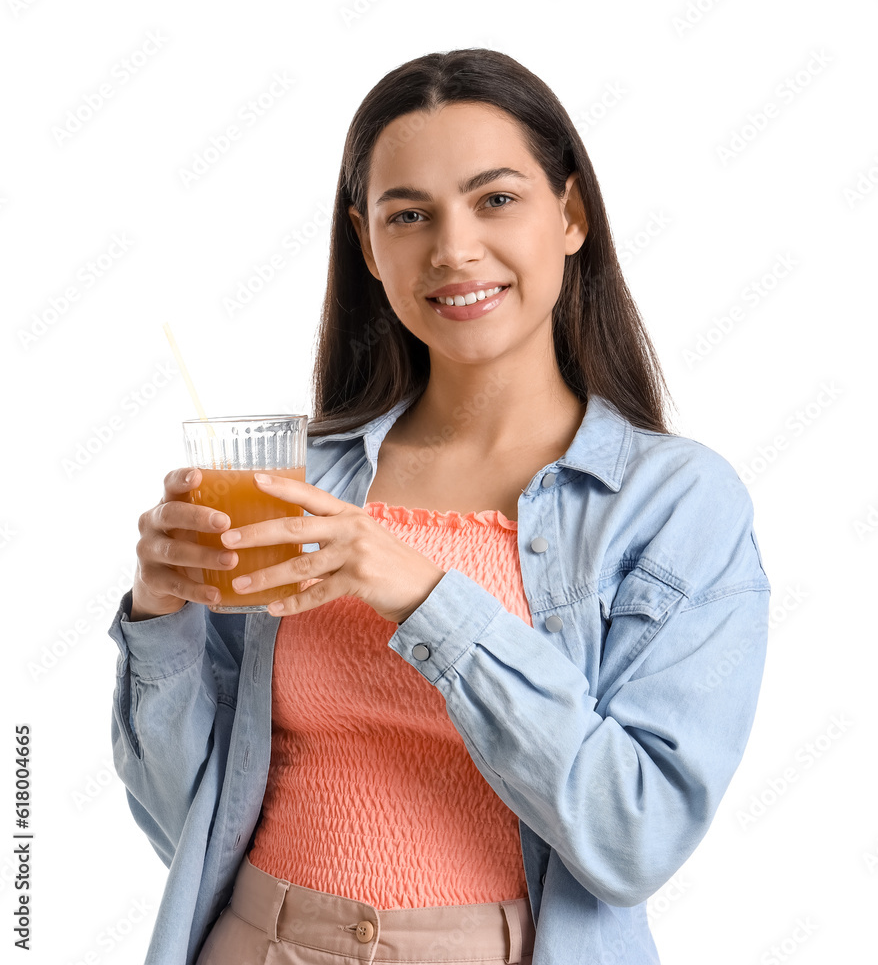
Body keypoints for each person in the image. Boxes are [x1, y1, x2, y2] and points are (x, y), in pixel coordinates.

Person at [109, 48, 771, 965]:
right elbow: (183, 818)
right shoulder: (302, 483)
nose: (453, 247)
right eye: (408, 215)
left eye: (496, 199)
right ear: (368, 242)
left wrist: (427, 597)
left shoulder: (677, 504)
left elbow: (636, 834)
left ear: (571, 214)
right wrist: (161, 616)